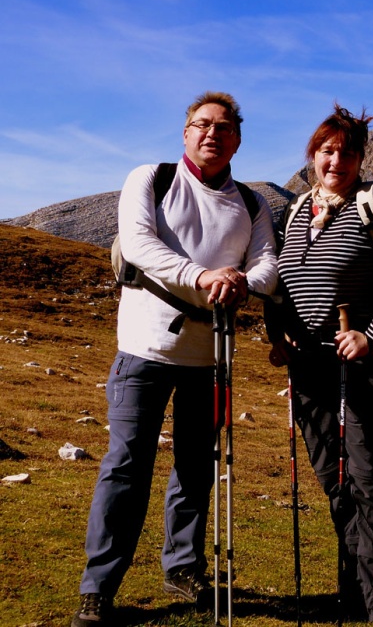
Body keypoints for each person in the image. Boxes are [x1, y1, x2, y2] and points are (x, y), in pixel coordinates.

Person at [71, 91, 278, 627]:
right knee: (125, 468)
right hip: (143, 351)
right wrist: (203, 276)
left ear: (238, 138)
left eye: (224, 127)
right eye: (201, 124)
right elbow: (138, 243)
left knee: (195, 467)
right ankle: (98, 588)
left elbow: (267, 268)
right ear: (185, 133)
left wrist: (239, 280)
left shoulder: (253, 204)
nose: (212, 133)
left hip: (210, 359)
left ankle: (182, 568)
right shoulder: (151, 178)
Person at [267, 104, 373, 627]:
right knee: (339, 486)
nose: (336, 160)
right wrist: (278, 331)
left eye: (348, 152)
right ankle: (358, 595)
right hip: (312, 370)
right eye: (327, 151)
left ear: (361, 158)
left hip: (372, 370)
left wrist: (371, 335)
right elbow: (282, 289)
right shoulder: (293, 213)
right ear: (313, 155)